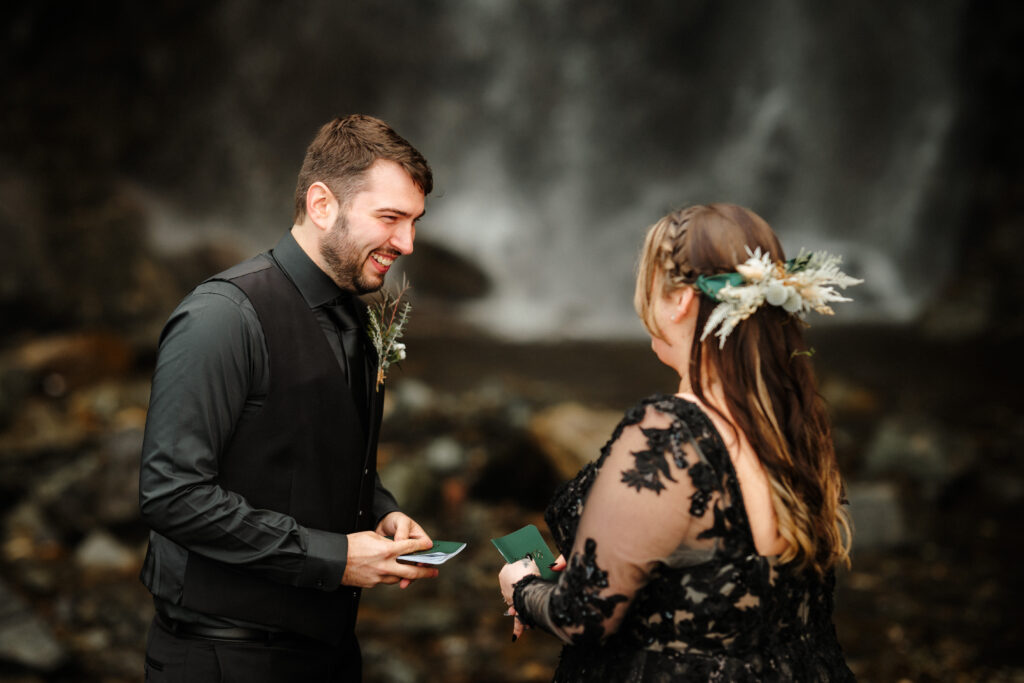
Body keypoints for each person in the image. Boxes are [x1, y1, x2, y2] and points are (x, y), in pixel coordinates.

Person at [499, 203, 860, 681]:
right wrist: (604, 560)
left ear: (682, 300)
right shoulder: (793, 424)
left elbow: (582, 618)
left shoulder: (670, 433)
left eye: (647, 280)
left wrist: (521, 586)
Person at [139, 114, 439, 682]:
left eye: (415, 222)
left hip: (326, 656)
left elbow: (316, 446)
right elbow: (171, 494)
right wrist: (338, 559)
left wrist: (384, 512)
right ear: (322, 204)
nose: (408, 243)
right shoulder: (221, 318)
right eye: (391, 219)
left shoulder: (356, 313)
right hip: (222, 659)